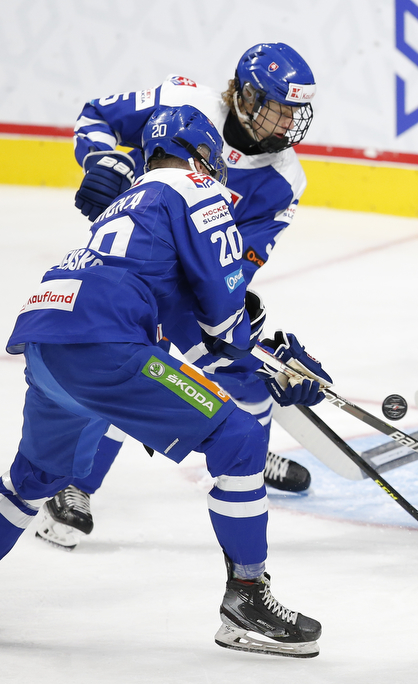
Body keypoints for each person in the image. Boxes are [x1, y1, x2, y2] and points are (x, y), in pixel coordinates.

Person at [0, 105, 331, 656]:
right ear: (201, 155)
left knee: (32, 478)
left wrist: (264, 364)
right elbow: (223, 321)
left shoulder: (134, 202)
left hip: (49, 334)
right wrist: (264, 362)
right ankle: (247, 600)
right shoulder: (196, 188)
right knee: (239, 436)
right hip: (105, 344)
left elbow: (192, 332)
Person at [39, 42, 317, 551]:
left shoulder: (285, 180)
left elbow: (239, 262)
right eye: (278, 109)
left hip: (194, 284)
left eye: (295, 113)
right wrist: (101, 162)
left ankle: (247, 457)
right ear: (246, 96)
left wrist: (233, 308)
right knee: (125, 365)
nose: (287, 125)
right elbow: (97, 115)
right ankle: (72, 486)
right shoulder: (184, 101)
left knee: (249, 382)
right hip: (133, 267)